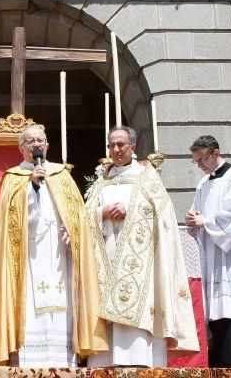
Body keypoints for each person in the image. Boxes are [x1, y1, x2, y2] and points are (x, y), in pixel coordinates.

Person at [0, 124, 107, 366]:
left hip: (60, 253)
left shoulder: (62, 175)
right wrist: (32, 187)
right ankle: (29, 360)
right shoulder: (14, 177)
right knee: (31, 302)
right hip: (29, 255)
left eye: (41, 140)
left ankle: (63, 360)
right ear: (22, 148)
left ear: (47, 145)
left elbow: (78, 215)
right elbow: (11, 218)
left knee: (62, 303)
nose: (37, 144)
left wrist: (73, 230)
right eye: (30, 141)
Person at [85, 126, 198, 367]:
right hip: (106, 255)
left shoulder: (147, 177)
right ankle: (104, 362)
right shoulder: (101, 181)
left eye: (121, 145)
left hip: (138, 262)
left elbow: (163, 215)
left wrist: (131, 210)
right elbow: (85, 214)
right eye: (111, 145)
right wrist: (100, 212)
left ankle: (139, 360)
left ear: (133, 148)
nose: (115, 150)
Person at [185, 135, 231, 367]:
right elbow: (196, 212)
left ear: (216, 153)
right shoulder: (203, 183)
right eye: (196, 162)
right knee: (217, 310)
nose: (200, 166)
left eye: (202, 160)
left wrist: (204, 220)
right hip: (212, 254)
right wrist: (191, 218)